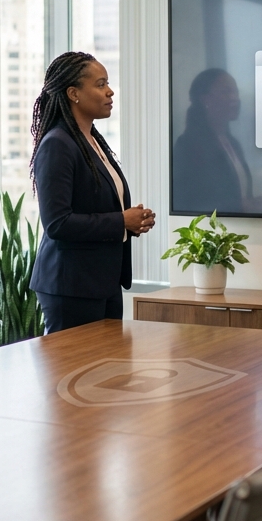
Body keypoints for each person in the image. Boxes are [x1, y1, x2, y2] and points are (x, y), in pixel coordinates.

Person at [30, 51, 155, 334]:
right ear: (73, 93)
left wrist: (132, 223)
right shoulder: (58, 144)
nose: (110, 92)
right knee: (74, 376)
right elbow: (58, 223)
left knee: (109, 374)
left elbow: (96, 207)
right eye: (100, 84)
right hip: (71, 286)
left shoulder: (92, 141)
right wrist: (121, 221)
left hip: (103, 282)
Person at [173, 68, 262, 214]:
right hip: (209, 233)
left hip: (237, 231)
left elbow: (237, 193)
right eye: (226, 92)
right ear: (206, 100)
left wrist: (252, 204)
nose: (234, 98)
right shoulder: (188, 145)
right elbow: (189, 200)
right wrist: (240, 206)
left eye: (236, 92)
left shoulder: (232, 143)